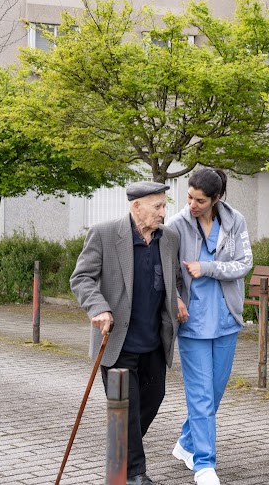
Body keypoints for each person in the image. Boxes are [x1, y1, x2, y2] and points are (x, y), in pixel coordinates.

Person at [71, 181, 183, 485]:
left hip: (154, 343)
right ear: (137, 207)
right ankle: (133, 474)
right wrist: (98, 307)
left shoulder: (169, 238)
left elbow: (176, 278)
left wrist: (178, 298)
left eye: (164, 205)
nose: (164, 212)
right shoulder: (105, 234)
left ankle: (120, 455)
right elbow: (82, 278)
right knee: (124, 409)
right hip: (118, 343)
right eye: (157, 206)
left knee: (152, 398)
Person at [166, 168, 253, 485]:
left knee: (213, 394)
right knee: (201, 396)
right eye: (189, 196)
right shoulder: (175, 226)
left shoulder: (235, 221)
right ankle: (204, 465)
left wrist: (208, 268)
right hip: (193, 323)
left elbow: (245, 263)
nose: (191, 204)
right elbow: (165, 272)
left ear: (216, 199)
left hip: (227, 319)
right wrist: (176, 297)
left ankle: (186, 444)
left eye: (199, 200)